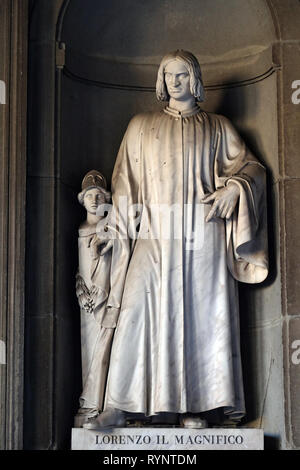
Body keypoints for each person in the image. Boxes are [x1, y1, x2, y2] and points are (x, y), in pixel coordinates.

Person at [85, 50, 268, 430]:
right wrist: (112, 229)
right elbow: (124, 186)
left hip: (203, 234)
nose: (175, 81)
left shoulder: (218, 127)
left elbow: (251, 167)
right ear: (160, 79)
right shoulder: (140, 126)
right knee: (135, 313)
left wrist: (235, 188)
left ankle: (197, 405)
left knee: (201, 318)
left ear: (195, 77)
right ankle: (123, 403)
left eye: (183, 73)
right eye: (169, 74)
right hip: (154, 233)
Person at [75, 170, 119, 426]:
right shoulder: (82, 229)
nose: (94, 199)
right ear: (83, 200)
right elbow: (81, 266)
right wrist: (81, 286)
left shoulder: (111, 229)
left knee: (107, 349)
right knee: (89, 349)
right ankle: (89, 403)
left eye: (99, 195)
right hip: (87, 302)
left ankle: (102, 403)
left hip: (108, 299)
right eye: (90, 195)